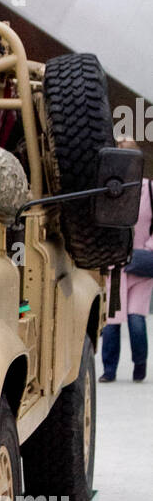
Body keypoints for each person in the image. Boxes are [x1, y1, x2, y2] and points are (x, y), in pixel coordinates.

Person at [100, 136, 152, 383]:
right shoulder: (109, 190)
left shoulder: (149, 189)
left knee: (136, 319)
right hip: (116, 264)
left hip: (141, 261)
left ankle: (139, 365)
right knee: (112, 320)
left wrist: (147, 250)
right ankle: (109, 371)